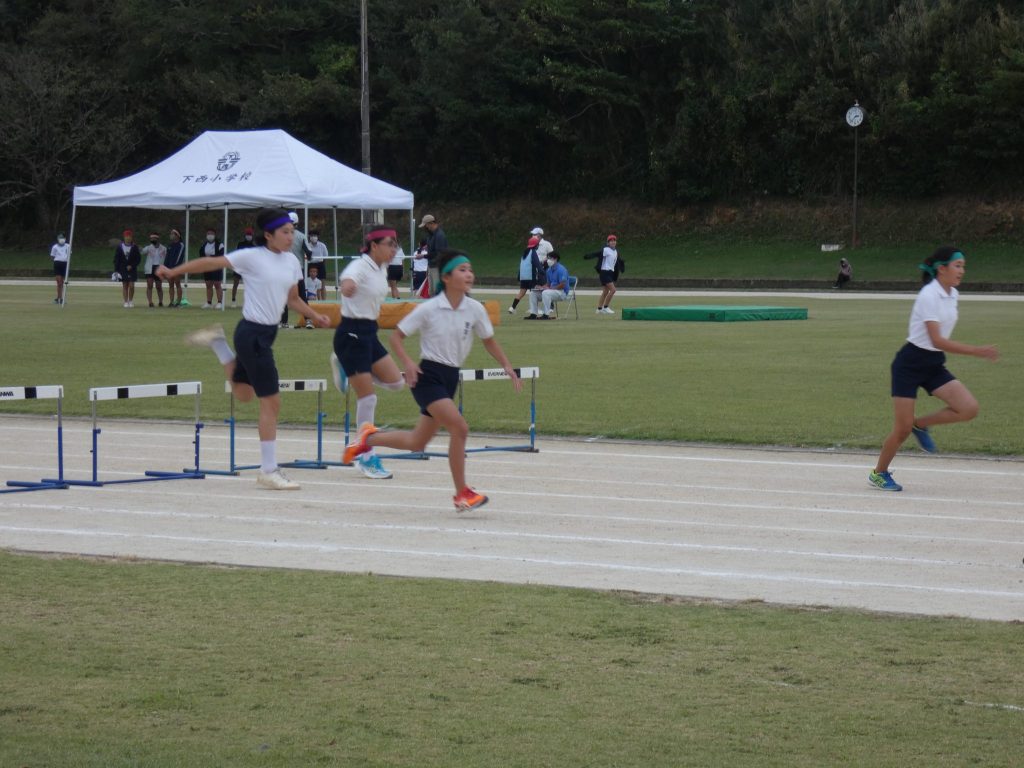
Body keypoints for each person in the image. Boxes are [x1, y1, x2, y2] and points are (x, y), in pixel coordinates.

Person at [157, 207, 331, 491]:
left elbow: (293, 299)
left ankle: (218, 342)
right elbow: (210, 262)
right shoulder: (252, 256)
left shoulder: (291, 261)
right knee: (271, 402)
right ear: (268, 235)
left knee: (244, 395)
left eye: (292, 232)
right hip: (252, 334)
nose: (291, 237)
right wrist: (173, 271)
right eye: (285, 232)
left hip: (266, 334)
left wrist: (315, 315)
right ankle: (268, 470)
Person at [343, 249, 521, 510]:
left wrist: (506, 365)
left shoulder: (475, 309)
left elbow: (489, 340)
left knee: (417, 442)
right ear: (446, 277)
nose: (469, 274)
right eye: (462, 270)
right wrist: (408, 364)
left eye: (470, 270)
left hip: (450, 377)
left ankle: (366, 438)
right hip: (428, 377)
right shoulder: (429, 308)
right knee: (460, 428)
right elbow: (396, 337)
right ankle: (462, 493)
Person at [868, 246, 1000, 492]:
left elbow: (937, 346)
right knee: (901, 429)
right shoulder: (928, 295)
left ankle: (920, 424)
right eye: (957, 265)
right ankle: (879, 473)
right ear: (941, 268)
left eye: (963, 266)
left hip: (933, 363)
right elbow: (937, 340)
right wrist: (976, 351)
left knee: (968, 408)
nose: (962, 271)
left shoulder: (952, 294)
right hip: (909, 364)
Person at [330, 226, 407, 479]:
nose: (394, 249)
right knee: (368, 398)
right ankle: (365, 457)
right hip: (351, 335)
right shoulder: (359, 266)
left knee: (396, 383)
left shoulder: (381, 268)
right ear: (374, 246)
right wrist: (348, 287)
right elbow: (348, 281)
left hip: (369, 333)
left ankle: (348, 369)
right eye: (389, 244)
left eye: (396, 245)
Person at [280, 211, 309, 327]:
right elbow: (309, 253)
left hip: (284, 269)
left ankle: (284, 322)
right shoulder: (301, 236)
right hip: (298, 269)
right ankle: (308, 320)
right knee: (302, 296)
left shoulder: (281, 235)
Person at [584, 234, 625, 314]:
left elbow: (618, 261)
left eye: (614, 240)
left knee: (605, 292)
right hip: (604, 272)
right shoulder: (606, 250)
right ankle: (606, 307)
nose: (613, 242)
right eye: (611, 241)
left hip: (610, 273)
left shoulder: (616, 251)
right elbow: (597, 253)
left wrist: (622, 266)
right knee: (613, 290)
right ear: (608, 243)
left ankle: (599, 309)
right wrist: (588, 256)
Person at [509, 236, 544, 317]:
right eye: (537, 244)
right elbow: (537, 263)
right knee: (534, 293)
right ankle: (535, 309)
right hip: (530, 276)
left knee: (521, 292)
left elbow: (521, 266)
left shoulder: (524, 253)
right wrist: (542, 272)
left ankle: (512, 307)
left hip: (523, 277)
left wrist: (519, 277)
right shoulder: (533, 252)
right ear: (535, 245)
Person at [529, 250, 570, 320]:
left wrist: (550, 288)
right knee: (533, 293)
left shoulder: (562, 270)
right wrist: (541, 287)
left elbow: (563, 285)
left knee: (546, 293)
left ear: (555, 259)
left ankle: (546, 314)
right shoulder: (549, 270)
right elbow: (548, 284)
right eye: (547, 258)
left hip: (562, 292)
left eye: (550, 258)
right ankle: (533, 314)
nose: (548, 260)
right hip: (552, 291)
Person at [418, 214, 448, 296]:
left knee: (437, 291)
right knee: (431, 291)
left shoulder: (439, 235)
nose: (426, 227)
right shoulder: (431, 235)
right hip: (431, 266)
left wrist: (423, 256)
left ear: (431, 223)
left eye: (426, 225)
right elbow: (432, 250)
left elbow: (439, 253)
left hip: (437, 267)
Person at [113, 229, 141, 308]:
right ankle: (125, 302)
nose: (128, 238)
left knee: (131, 285)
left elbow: (138, 259)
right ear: (124, 237)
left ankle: (130, 301)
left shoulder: (134, 247)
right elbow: (116, 259)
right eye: (126, 236)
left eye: (129, 236)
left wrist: (132, 265)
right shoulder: (120, 247)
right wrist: (116, 270)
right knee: (125, 285)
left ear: (131, 237)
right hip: (123, 269)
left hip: (132, 269)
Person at [230, 227, 256, 307]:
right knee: (235, 283)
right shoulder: (240, 244)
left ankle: (250, 302)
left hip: (249, 267)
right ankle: (233, 300)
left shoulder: (254, 246)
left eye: (250, 234)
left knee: (250, 285)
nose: (248, 236)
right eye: (247, 234)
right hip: (239, 266)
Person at [200, 228, 225, 309]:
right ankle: (209, 302)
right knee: (208, 284)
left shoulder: (220, 245)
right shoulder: (204, 245)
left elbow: (221, 255)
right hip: (207, 266)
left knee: (217, 284)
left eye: (211, 234)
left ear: (214, 235)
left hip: (216, 266)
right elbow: (201, 255)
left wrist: (210, 257)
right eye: (208, 234)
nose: (210, 235)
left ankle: (219, 302)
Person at [141, 232, 167, 307]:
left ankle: (160, 302)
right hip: (150, 268)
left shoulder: (164, 248)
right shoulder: (148, 248)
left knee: (159, 286)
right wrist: (139, 248)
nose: (152, 240)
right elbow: (142, 252)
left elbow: (167, 257)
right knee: (150, 285)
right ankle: (150, 302)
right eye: (151, 238)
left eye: (153, 238)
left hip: (159, 268)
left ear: (157, 239)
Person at [164, 229, 185, 307]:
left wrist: (175, 267)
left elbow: (179, 257)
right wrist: (165, 268)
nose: (171, 235)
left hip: (177, 268)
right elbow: (167, 257)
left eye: (173, 234)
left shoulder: (181, 245)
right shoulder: (170, 245)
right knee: (171, 284)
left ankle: (178, 302)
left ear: (177, 235)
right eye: (171, 234)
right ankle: (171, 302)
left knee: (177, 283)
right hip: (169, 268)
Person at [49, 232, 70, 305]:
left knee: (62, 282)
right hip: (57, 263)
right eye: (60, 238)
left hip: (65, 264)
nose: (62, 240)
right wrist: (57, 261)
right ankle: (59, 298)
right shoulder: (55, 247)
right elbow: (52, 256)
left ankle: (60, 298)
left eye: (63, 238)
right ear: (58, 239)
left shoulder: (68, 246)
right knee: (59, 282)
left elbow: (69, 255)